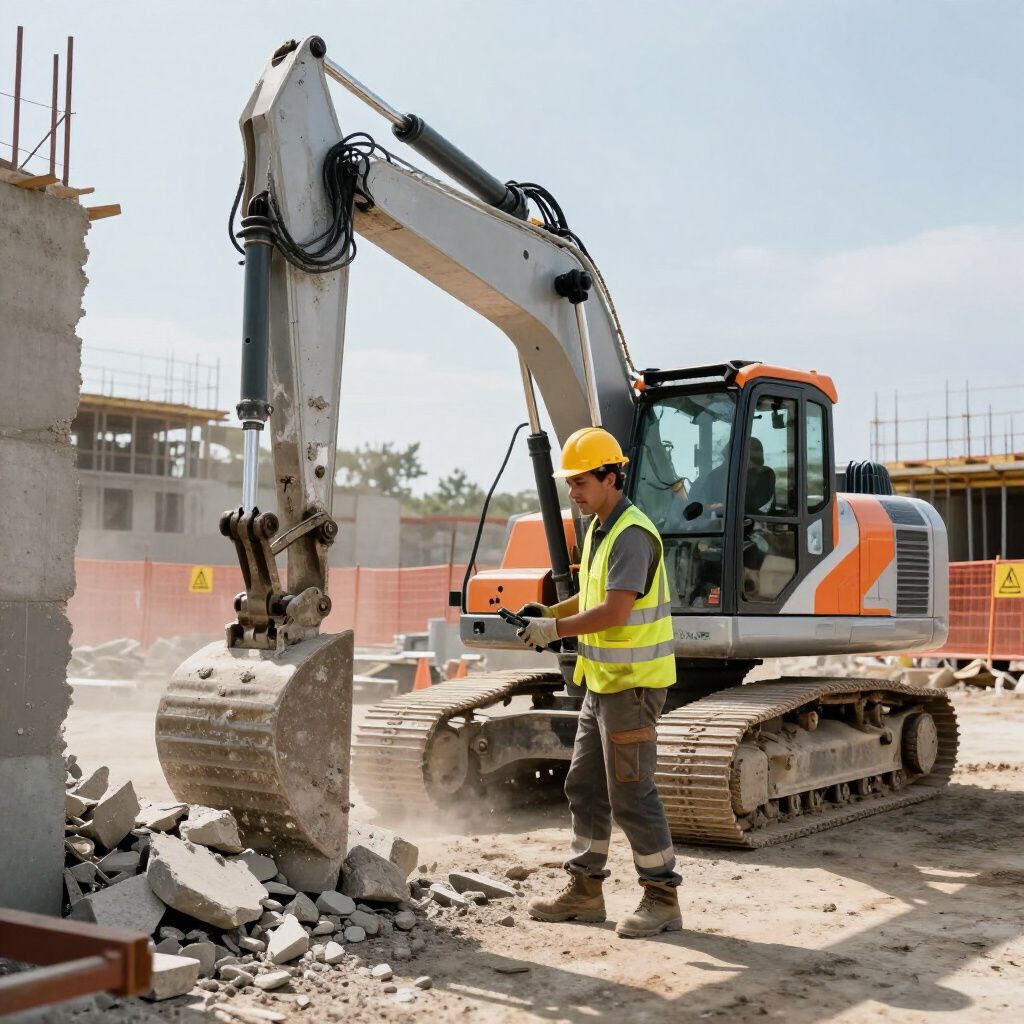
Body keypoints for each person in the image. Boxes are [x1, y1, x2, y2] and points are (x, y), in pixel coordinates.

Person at [515, 426, 682, 939]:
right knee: (584, 785)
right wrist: (549, 611)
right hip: (603, 684)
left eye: (581, 480)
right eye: (569, 482)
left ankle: (661, 897)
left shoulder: (631, 534)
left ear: (612, 477)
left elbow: (612, 611)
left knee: (631, 794)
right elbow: (591, 598)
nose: (573, 491)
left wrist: (554, 630)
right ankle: (586, 891)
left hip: (631, 688)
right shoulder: (599, 529)